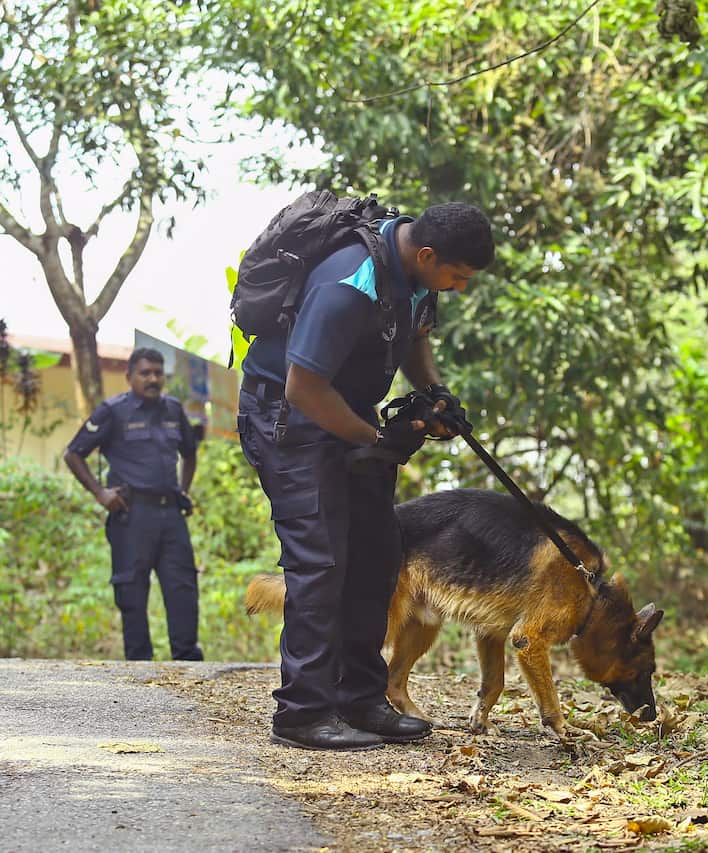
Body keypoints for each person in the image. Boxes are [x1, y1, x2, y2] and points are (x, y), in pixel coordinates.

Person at [237, 201, 495, 751]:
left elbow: (416, 335)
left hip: (347, 415)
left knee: (378, 553)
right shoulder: (348, 283)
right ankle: (303, 712)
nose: (459, 288)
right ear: (426, 255)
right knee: (320, 561)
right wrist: (375, 440)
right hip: (291, 421)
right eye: (457, 276)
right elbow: (302, 389)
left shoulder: (416, 277)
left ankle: (361, 698)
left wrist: (434, 395)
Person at [64, 347, 203, 662]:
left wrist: (184, 489)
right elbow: (73, 454)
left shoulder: (174, 410)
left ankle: (188, 665)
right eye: (145, 373)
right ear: (129, 377)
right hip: (131, 515)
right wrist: (100, 493)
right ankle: (140, 671)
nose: (153, 379)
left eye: (158, 372)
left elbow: (190, 452)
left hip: (171, 514)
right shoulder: (112, 411)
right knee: (132, 592)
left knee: (182, 587)